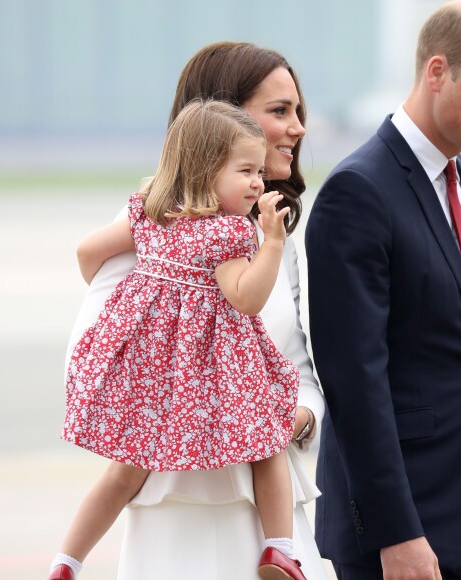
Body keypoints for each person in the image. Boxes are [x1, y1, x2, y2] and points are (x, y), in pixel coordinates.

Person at [57, 42, 327, 580]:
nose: (298, 128)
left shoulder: (269, 232)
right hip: (175, 511)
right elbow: (99, 332)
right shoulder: (156, 220)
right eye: (279, 111)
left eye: (298, 111)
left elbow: (300, 365)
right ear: (217, 127)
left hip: (266, 497)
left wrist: (298, 417)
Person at [306, 1, 461, 578]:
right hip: (405, 532)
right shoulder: (358, 192)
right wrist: (397, 533)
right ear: (437, 72)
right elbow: (353, 381)